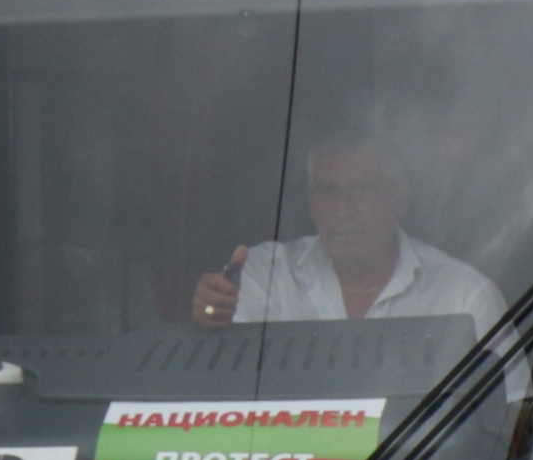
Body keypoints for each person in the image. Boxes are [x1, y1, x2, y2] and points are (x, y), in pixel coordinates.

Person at [195, 135, 501, 328]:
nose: (343, 210)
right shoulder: (267, 275)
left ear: (399, 199)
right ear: (311, 203)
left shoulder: (465, 296)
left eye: (361, 189)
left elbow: (514, 419)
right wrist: (213, 317)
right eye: (327, 191)